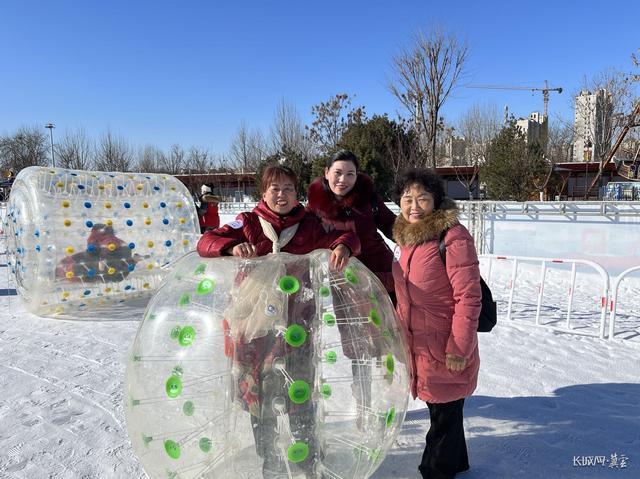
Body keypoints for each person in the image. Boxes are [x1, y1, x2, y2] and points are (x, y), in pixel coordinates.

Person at [197, 164, 360, 478]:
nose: (282, 195)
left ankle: (307, 459)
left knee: (300, 392)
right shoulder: (247, 222)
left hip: (298, 326)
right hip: (255, 329)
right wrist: (230, 247)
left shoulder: (311, 224)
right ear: (264, 192)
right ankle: (269, 459)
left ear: (295, 193)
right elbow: (207, 242)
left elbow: (346, 236)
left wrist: (341, 245)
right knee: (259, 394)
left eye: (288, 189)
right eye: (275, 189)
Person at [391, 168, 481, 479]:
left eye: (422, 199)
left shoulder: (452, 237)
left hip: (447, 344)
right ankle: (458, 462)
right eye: (407, 198)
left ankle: (436, 471)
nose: (414, 206)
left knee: (445, 415)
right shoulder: (408, 239)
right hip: (421, 346)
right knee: (444, 411)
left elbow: (469, 298)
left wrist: (459, 347)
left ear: (436, 201)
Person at [307, 149, 396, 430]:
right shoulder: (315, 207)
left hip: (380, 276)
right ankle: (363, 406)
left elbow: (393, 226)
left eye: (350, 174)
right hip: (345, 282)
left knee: (384, 344)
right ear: (326, 172)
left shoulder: (368, 199)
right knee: (358, 347)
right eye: (338, 173)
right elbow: (303, 238)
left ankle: (385, 403)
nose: (343, 179)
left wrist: (424, 236)